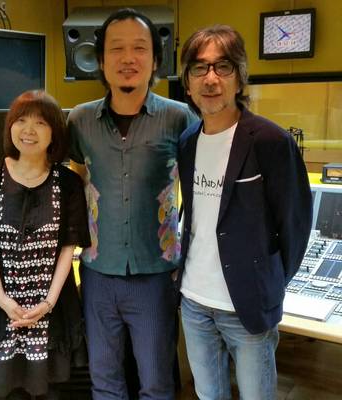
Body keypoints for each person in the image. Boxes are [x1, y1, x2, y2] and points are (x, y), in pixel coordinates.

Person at [67, 8, 196, 400]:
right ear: (101, 60)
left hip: (155, 275)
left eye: (139, 48)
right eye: (116, 49)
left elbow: (199, 191)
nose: (128, 58)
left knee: (156, 383)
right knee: (104, 380)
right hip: (97, 273)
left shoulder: (179, 118)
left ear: (155, 60)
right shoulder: (79, 121)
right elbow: (77, 180)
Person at [177, 25, 312, 400]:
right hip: (194, 302)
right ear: (187, 83)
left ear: (239, 77)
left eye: (222, 66)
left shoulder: (271, 141)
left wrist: (268, 284)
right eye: (199, 68)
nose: (210, 79)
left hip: (247, 305)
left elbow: (295, 226)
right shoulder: (187, 142)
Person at [0, 90, 91, 400]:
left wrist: (47, 303)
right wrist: (2, 298)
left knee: (49, 389)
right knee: (7, 391)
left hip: (50, 308)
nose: (29, 130)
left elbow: (68, 248)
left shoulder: (68, 182)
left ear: (54, 132)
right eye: (21, 120)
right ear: (10, 126)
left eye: (40, 123)